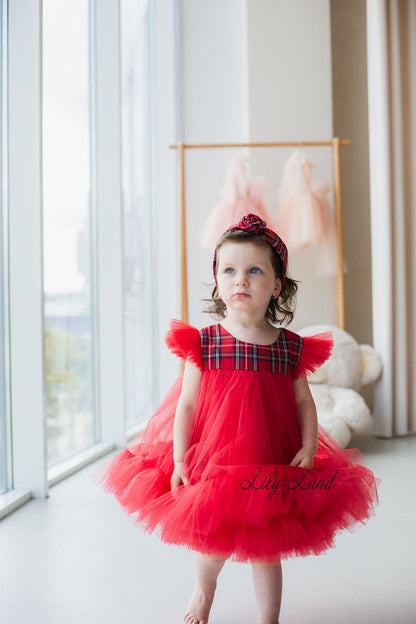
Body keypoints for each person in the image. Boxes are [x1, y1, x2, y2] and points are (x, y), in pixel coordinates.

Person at [91, 213, 379, 624]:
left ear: (277, 286)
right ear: (217, 281)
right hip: (216, 454)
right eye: (229, 270)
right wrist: (179, 458)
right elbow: (187, 405)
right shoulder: (205, 343)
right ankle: (204, 590)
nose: (240, 280)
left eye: (254, 271)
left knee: (268, 547)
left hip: (271, 455)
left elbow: (303, 402)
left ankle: (269, 618)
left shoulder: (289, 347)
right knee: (212, 539)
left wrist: (309, 445)